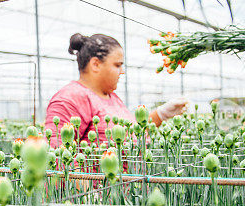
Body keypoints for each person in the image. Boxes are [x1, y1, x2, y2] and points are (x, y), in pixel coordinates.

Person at [45, 33, 187, 147]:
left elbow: (131, 133)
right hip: (104, 184)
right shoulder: (70, 98)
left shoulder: (111, 97)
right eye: (117, 65)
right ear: (95, 64)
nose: (122, 71)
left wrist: (161, 114)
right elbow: (56, 158)